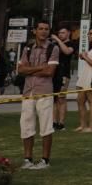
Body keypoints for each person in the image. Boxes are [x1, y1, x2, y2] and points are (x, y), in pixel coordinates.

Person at [17, 20, 59, 169]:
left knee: (46, 126)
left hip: (44, 91)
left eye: (46, 29)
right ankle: (27, 159)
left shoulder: (53, 48)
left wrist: (30, 68)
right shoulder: (28, 48)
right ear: (35, 31)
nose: (43, 31)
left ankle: (45, 160)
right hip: (28, 91)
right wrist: (40, 66)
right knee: (26, 125)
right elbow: (20, 70)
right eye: (40, 28)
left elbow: (50, 72)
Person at [52, 27, 75, 131]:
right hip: (53, 74)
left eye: (63, 32)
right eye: (59, 33)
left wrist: (57, 40)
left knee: (61, 98)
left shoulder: (72, 44)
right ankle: (53, 122)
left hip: (64, 74)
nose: (60, 34)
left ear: (68, 33)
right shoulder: (55, 45)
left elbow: (67, 52)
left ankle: (61, 123)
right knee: (54, 99)